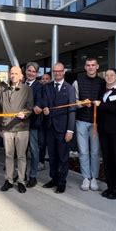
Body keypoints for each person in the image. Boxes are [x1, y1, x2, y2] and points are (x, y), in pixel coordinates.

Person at [93, 69, 116, 200]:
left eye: (112, 75)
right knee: (107, 159)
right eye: (106, 75)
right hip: (104, 130)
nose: (109, 77)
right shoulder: (102, 91)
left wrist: (102, 105)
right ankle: (110, 186)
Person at [0, 66, 34, 193]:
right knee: (8, 155)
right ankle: (8, 180)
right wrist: (1, 128)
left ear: (21, 76)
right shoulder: (3, 90)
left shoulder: (27, 90)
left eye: (16, 73)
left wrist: (25, 114)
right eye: (11, 73)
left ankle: (21, 181)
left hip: (22, 128)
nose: (13, 75)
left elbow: (30, 107)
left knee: (21, 156)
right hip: (7, 128)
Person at [42, 62, 76, 194]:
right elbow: (44, 101)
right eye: (55, 71)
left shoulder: (69, 88)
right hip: (50, 127)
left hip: (63, 129)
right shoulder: (47, 87)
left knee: (63, 157)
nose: (57, 73)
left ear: (63, 72)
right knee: (52, 156)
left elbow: (72, 109)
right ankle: (54, 179)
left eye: (59, 71)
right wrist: (44, 107)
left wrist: (70, 130)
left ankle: (62, 182)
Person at [72, 58, 105, 191]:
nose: (90, 67)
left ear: (97, 67)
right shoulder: (77, 81)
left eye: (93, 65)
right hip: (81, 121)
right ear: (85, 67)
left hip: (96, 122)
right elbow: (73, 101)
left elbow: (106, 101)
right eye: (88, 65)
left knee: (95, 152)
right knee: (83, 151)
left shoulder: (103, 82)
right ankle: (86, 177)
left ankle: (94, 178)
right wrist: (81, 103)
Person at [23, 62, 44, 188]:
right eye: (29, 70)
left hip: (33, 123)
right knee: (21, 151)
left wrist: (38, 106)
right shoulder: (20, 84)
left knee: (34, 150)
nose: (31, 73)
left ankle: (33, 176)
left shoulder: (40, 86)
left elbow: (40, 100)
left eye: (34, 71)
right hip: (20, 123)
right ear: (25, 71)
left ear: (37, 74)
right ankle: (22, 174)